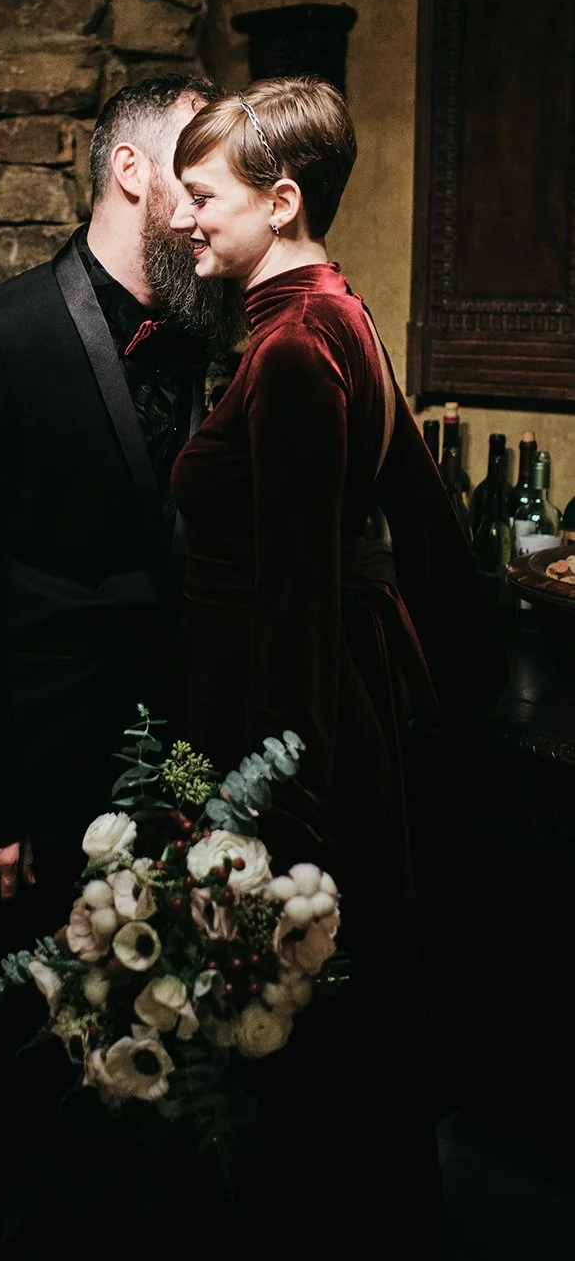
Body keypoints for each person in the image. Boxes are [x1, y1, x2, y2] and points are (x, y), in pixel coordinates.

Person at [0, 73, 246, 1260]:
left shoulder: (204, 338)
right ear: (130, 171)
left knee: (103, 1086)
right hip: (5, 790)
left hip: (133, 783)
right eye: (191, 171)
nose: (208, 201)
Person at [167, 77, 508, 1260]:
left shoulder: (298, 345)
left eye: (203, 194)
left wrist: (273, 808)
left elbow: (298, 600)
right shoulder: (334, 310)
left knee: (300, 1026)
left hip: (281, 725)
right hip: (316, 709)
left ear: (282, 201)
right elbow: (427, 516)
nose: (182, 217)